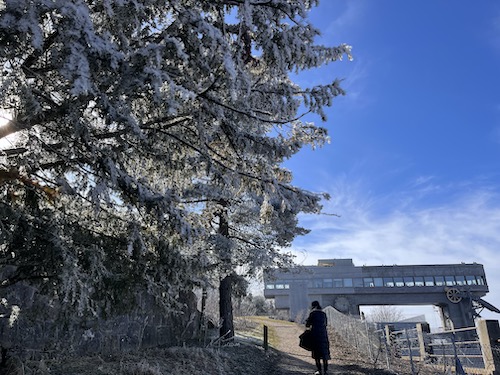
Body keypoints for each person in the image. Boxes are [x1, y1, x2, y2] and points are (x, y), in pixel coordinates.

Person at [305, 301, 331, 375]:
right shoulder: (323, 314)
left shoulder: (312, 313)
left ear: (313, 306)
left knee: (317, 354)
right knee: (324, 353)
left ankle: (319, 370)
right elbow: (325, 324)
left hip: (315, 335)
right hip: (323, 335)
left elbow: (307, 325)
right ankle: (326, 371)